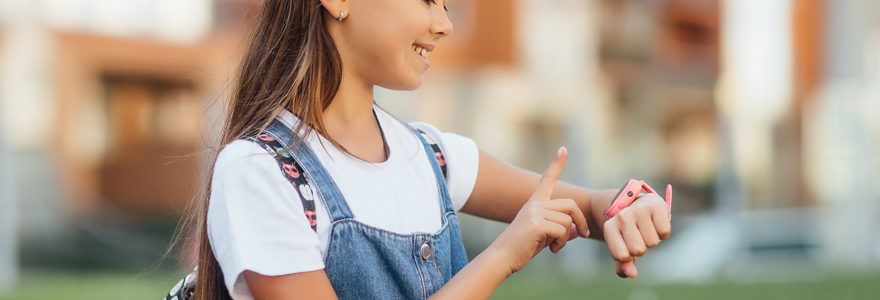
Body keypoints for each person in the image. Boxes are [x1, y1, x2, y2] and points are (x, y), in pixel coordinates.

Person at [174, 0, 672, 299]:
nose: (445, 23)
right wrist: (502, 256)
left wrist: (630, 205)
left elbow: (590, 204)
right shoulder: (260, 172)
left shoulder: (431, 155)